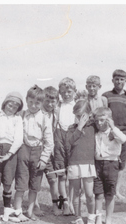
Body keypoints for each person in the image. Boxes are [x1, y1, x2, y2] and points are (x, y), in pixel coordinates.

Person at [13, 85, 54, 221]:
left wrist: (43, 159)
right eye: (31, 102)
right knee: (21, 181)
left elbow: (49, 142)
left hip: (37, 151)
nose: (33, 105)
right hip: (23, 149)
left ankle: (30, 211)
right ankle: (17, 210)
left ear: (42, 103)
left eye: (37, 103)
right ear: (26, 100)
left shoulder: (44, 118)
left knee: (34, 183)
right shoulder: (22, 115)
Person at [0, 92, 23, 224]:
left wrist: (9, 154)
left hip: (10, 153)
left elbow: (19, 139)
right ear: (4, 103)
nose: (11, 108)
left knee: (8, 184)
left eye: (15, 106)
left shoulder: (17, 119)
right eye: (9, 104)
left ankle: (7, 210)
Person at [34, 86, 70, 216]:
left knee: (53, 179)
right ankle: (35, 205)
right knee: (35, 179)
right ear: (43, 100)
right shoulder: (37, 112)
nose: (50, 104)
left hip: (50, 151)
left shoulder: (56, 112)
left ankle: (56, 204)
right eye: (47, 101)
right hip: (37, 150)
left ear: (56, 101)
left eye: (53, 101)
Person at [102, 69, 126, 200]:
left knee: (121, 162)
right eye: (116, 79)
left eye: (122, 79)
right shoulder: (106, 95)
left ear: (125, 81)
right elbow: (103, 114)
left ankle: (117, 190)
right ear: (113, 80)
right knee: (108, 160)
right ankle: (107, 189)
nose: (119, 81)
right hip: (110, 131)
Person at [64, 99, 97, 224]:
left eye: (82, 115)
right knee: (76, 193)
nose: (79, 118)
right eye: (77, 115)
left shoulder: (94, 127)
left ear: (89, 114)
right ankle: (78, 218)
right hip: (74, 164)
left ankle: (91, 216)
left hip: (88, 164)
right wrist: (79, 127)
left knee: (89, 194)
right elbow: (69, 142)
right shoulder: (72, 128)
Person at [93, 107, 126, 224]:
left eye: (102, 120)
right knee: (98, 194)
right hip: (98, 164)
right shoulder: (96, 134)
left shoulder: (115, 133)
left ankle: (108, 220)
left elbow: (123, 139)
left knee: (110, 194)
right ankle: (98, 219)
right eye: (97, 121)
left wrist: (113, 127)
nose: (99, 123)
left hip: (112, 164)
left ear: (109, 120)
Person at [53, 77, 77, 215]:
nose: (66, 94)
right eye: (63, 91)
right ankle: (65, 202)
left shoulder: (77, 106)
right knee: (61, 174)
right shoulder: (57, 107)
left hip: (73, 139)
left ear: (74, 91)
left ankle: (73, 203)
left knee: (73, 175)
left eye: (69, 91)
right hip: (60, 139)